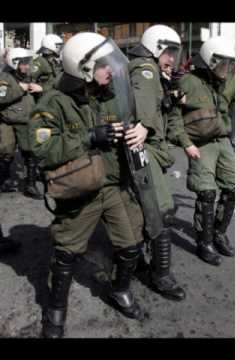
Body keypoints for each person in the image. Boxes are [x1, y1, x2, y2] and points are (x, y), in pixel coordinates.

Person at [29, 32, 146, 338]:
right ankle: (55, 310)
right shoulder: (54, 102)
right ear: (84, 67)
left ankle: (119, 290)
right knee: (67, 254)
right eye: (105, 65)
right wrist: (89, 137)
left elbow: (133, 120)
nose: (112, 70)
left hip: (113, 185)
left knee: (131, 245)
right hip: (80, 190)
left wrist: (140, 131)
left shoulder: (109, 94)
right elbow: (40, 149)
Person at [168, 36, 235, 266]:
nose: (228, 68)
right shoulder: (187, 82)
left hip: (223, 140)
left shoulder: (229, 81)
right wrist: (185, 143)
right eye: (223, 63)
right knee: (206, 192)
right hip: (201, 144)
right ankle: (204, 241)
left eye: (230, 63)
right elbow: (173, 117)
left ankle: (218, 232)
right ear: (210, 61)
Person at [126, 24, 186, 301]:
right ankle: (160, 274)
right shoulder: (145, 68)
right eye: (169, 51)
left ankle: (135, 257)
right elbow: (144, 103)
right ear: (155, 46)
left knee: (143, 207)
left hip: (149, 148)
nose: (172, 58)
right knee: (161, 210)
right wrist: (146, 125)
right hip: (144, 148)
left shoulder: (149, 69)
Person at [0, 47, 42, 199]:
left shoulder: (28, 75)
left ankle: (30, 185)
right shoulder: (4, 77)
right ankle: (4, 181)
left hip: (26, 120)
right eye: (23, 64)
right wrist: (19, 89)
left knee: (30, 152)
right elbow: (1, 97)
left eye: (27, 63)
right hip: (8, 121)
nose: (26, 66)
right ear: (14, 63)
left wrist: (39, 90)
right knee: (6, 152)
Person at [31, 34, 64, 98]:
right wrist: (42, 88)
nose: (60, 48)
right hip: (43, 98)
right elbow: (29, 81)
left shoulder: (53, 61)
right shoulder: (39, 62)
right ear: (51, 46)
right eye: (58, 46)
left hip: (53, 96)